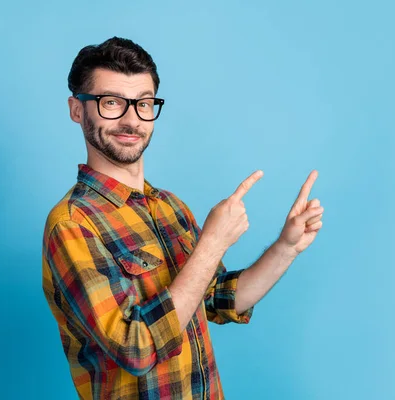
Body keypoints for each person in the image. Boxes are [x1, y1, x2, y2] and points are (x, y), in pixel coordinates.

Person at [42, 36, 324, 400]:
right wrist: (214, 242)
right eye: (111, 102)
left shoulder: (169, 207)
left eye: (143, 104)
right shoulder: (72, 224)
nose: (131, 120)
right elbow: (136, 347)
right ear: (77, 109)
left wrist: (286, 248)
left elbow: (219, 299)